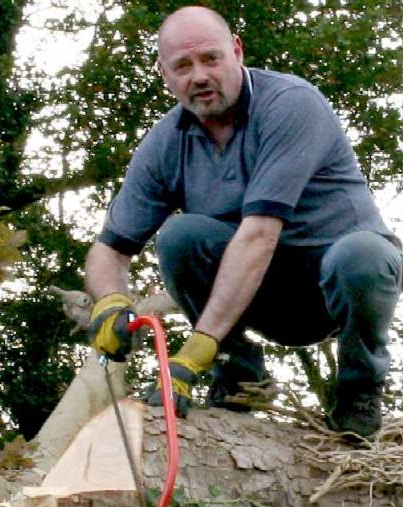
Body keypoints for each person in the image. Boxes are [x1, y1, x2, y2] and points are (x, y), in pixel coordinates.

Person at [85, 5, 402, 437]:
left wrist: (194, 351)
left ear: (236, 51)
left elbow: (258, 236)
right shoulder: (164, 143)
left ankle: (358, 393)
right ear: (164, 74)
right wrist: (109, 303)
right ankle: (239, 376)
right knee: (180, 236)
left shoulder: (291, 105)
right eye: (182, 66)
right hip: (260, 296)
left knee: (363, 253)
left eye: (210, 59)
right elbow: (110, 250)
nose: (199, 76)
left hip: (334, 286)